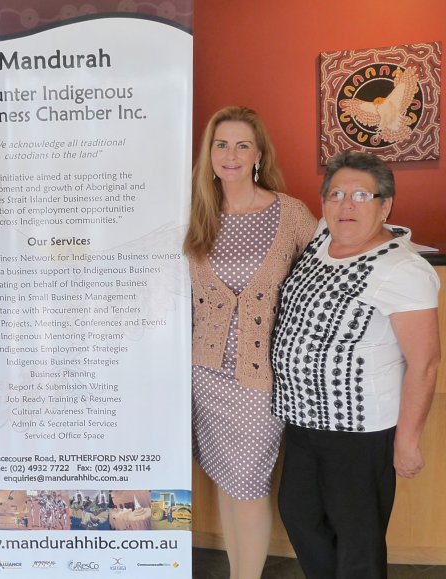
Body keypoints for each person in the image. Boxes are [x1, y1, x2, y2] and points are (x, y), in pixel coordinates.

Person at [271, 151, 440, 579]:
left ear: (386, 205)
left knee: (357, 540)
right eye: (336, 193)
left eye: (362, 195)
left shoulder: (403, 269)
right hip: (303, 420)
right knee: (301, 518)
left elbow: (425, 363)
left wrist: (407, 441)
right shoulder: (322, 238)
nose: (346, 204)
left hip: (360, 432)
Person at [184, 106, 317, 579]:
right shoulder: (195, 211)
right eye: (221, 144)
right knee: (225, 478)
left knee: (248, 485)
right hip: (204, 372)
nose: (231, 154)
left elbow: (322, 277)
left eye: (242, 144)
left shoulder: (290, 213)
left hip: (261, 377)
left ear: (259, 153)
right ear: (209, 153)